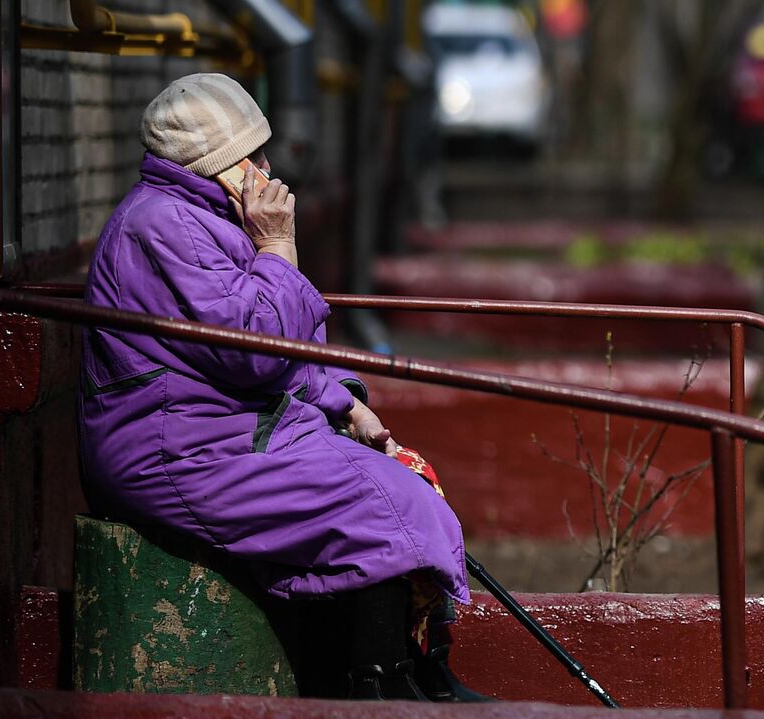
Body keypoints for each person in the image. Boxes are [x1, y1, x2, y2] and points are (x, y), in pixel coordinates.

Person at [78, 73, 480, 701]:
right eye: (255, 157)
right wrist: (279, 246)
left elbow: (261, 353)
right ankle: (381, 690)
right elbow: (259, 349)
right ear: (223, 166)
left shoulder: (199, 216)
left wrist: (344, 403)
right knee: (386, 506)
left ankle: (413, 671)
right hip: (175, 449)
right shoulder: (168, 226)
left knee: (401, 480)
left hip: (220, 428)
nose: (270, 169)